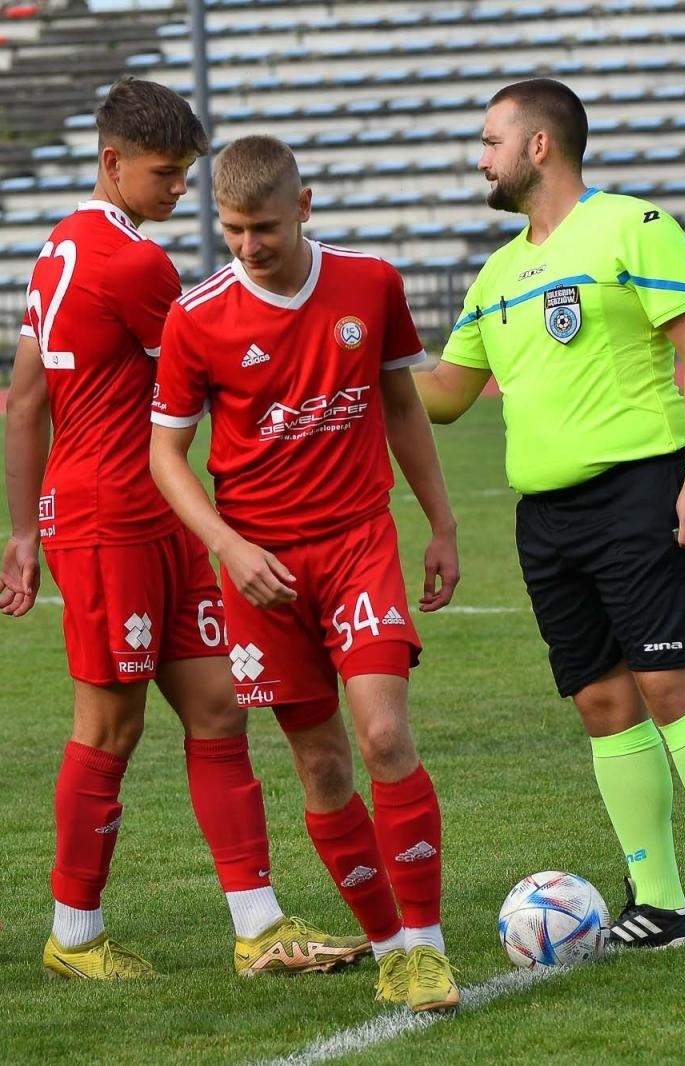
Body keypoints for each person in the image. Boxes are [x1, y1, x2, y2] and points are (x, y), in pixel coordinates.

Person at [0, 78, 365, 980]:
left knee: (218, 707)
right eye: (165, 173)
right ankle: (74, 936)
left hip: (157, 516)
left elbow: (24, 398)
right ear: (111, 161)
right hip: (113, 520)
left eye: (186, 173)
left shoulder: (59, 248)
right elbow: (221, 367)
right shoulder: (134, 266)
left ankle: (258, 926)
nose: (178, 189)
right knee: (108, 728)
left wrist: (24, 529)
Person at [415, 78, 685, 958]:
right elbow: (447, 395)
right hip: (546, 518)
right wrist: (354, 358)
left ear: (539, 145)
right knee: (603, 700)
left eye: (492, 140)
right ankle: (660, 905)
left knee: (670, 685)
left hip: (643, 492)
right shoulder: (496, 274)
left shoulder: (632, 226)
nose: (481, 158)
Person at [149, 134, 463, 1014]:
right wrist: (229, 548)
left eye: (265, 228)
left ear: (305, 206)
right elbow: (166, 455)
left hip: (359, 543)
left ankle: (429, 947)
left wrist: (441, 522)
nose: (249, 246)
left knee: (385, 738)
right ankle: (390, 947)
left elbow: (402, 406)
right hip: (263, 572)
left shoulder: (370, 284)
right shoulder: (196, 317)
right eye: (233, 229)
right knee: (323, 768)